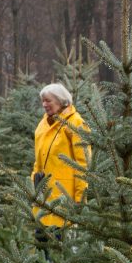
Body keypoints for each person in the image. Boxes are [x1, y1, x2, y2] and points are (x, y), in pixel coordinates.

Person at [32, 83, 89, 229]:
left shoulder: (75, 122)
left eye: (48, 100)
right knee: (42, 245)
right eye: (43, 101)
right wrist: (33, 186)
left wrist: (79, 199)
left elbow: (83, 164)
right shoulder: (42, 125)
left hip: (64, 198)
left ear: (60, 100)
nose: (44, 104)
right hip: (42, 198)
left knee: (62, 245)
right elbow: (37, 162)